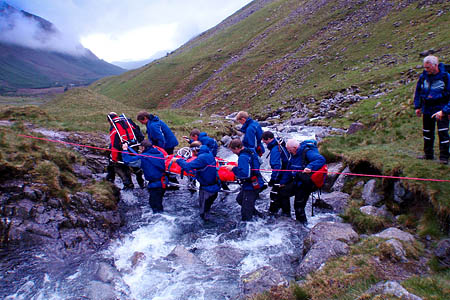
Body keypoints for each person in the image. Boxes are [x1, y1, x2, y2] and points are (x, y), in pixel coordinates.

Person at [279, 138, 326, 225]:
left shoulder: (307, 152)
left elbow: (321, 160)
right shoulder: (293, 155)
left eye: (289, 150)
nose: (289, 152)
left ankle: (303, 226)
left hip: (306, 183)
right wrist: (283, 183)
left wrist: (310, 167)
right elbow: (289, 170)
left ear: (295, 147)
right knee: (283, 192)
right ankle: (286, 216)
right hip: (297, 181)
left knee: (299, 207)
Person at [414, 55, 450, 165]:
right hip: (427, 108)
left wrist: (445, 111)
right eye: (425, 67)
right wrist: (418, 106)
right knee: (427, 132)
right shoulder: (423, 77)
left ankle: (444, 157)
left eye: (428, 67)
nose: (426, 70)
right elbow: (418, 92)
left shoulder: (446, 77)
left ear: (435, 66)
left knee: (443, 133)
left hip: (441, 108)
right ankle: (428, 154)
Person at [172, 141, 220, 220]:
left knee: (203, 214)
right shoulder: (209, 153)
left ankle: (206, 228)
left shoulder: (201, 158)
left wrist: (177, 160)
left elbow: (187, 166)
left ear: (194, 150)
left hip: (207, 190)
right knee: (207, 209)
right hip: (213, 188)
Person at [122, 140, 167, 213]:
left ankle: (159, 220)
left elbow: (128, 161)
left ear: (143, 147)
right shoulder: (159, 153)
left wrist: (124, 150)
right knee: (158, 203)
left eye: (141, 148)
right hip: (163, 183)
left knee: (154, 205)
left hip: (155, 185)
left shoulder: (143, 158)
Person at [225, 139, 264, 221]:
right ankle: (259, 215)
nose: (232, 152)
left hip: (252, 186)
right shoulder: (250, 151)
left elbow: (245, 174)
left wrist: (233, 169)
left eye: (232, 150)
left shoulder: (243, 157)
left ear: (236, 148)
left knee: (245, 213)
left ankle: (248, 229)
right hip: (256, 181)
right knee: (239, 199)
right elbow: (260, 161)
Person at [106, 112, 145, 189]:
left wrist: (114, 159)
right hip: (134, 148)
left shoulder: (114, 129)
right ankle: (141, 181)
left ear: (109, 121)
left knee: (119, 166)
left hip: (123, 150)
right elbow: (139, 134)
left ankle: (128, 184)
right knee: (135, 163)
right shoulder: (128, 123)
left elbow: (115, 147)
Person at [261, 131, 292, 217]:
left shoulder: (275, 149)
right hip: (287, 173)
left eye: (265, 141)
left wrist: (273, 179)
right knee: (282, 193)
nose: (265, 144)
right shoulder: (280, 143)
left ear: (270, 139)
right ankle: (285, 212)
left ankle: (274, 213)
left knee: (275, 193)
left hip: (282, 175)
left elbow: (277, 166)